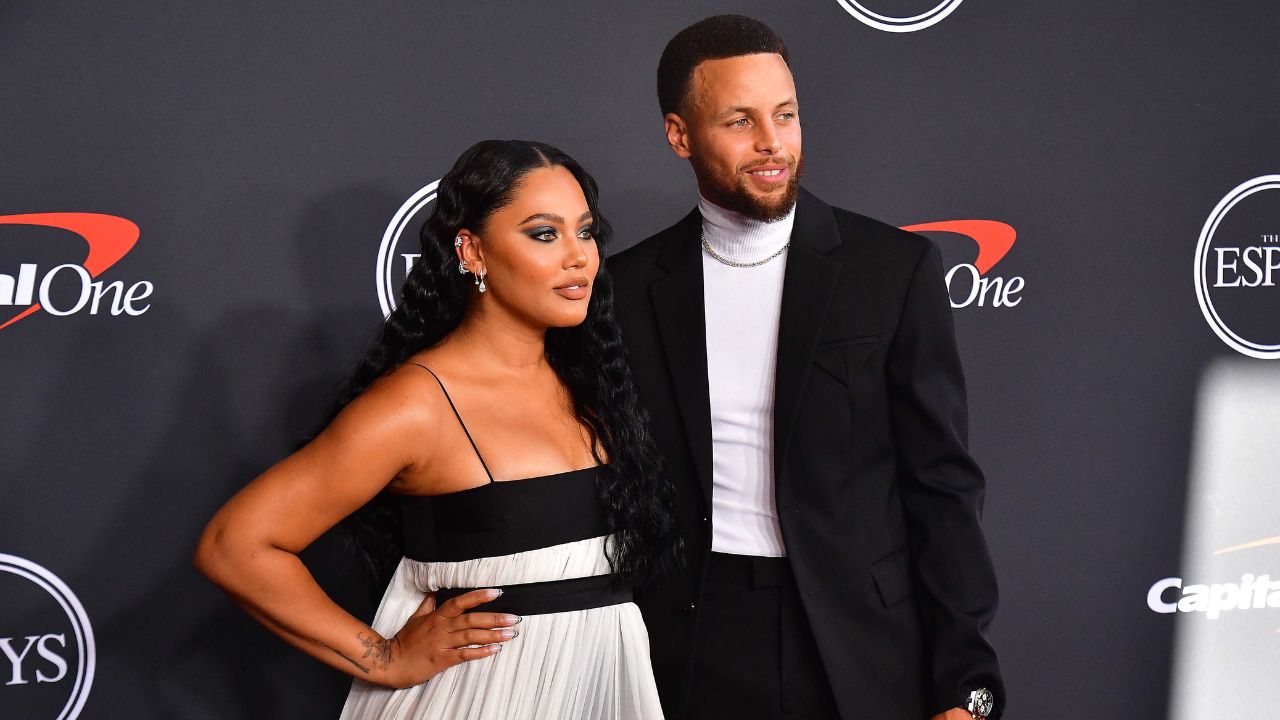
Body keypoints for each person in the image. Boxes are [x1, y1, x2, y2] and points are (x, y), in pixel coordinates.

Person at [194, 139, 677, 720]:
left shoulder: (592, 382)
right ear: (471, 251)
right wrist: (385, 658)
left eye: (587, 231)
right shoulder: (416, 405)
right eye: (545, 234)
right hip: (477, 699)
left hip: (603, 685)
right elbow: (235, 546)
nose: (580, 257)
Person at [608, 15, 1005, 720]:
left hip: (862, 638)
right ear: (680, 135)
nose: (772, 143)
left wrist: (964, 681)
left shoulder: (891, 269)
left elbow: (942, 487)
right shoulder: (627, 290)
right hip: (693, 642)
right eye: (740, 121)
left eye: (786, 115)